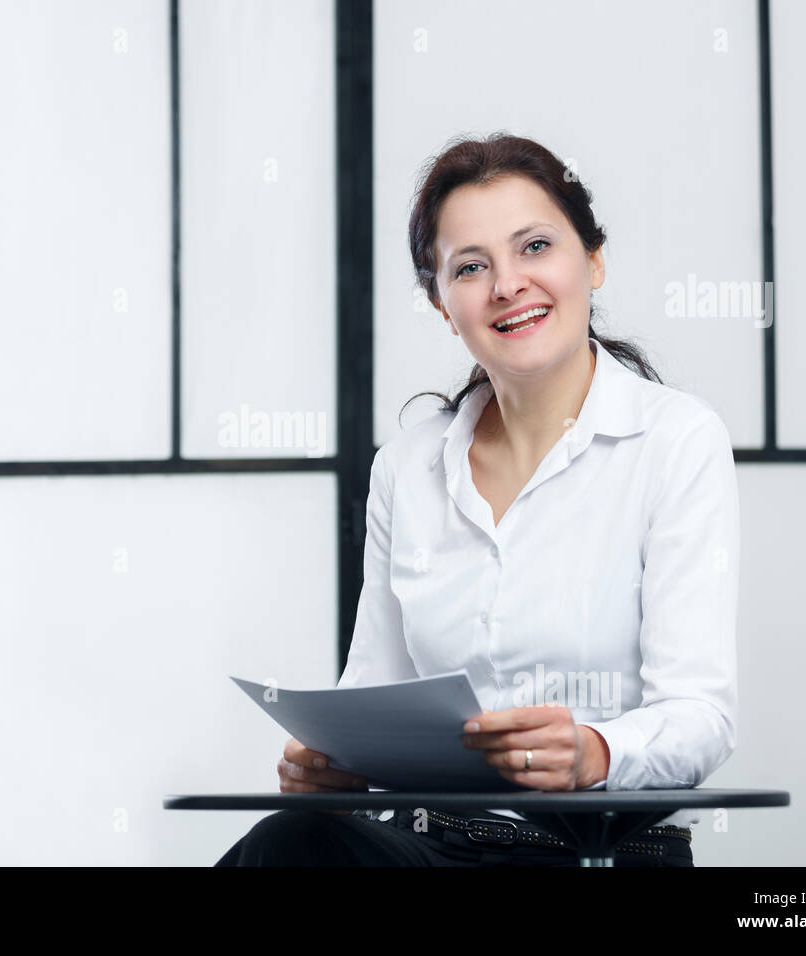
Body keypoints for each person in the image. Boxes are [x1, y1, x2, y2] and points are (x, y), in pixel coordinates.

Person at [217, 132, 739, 867]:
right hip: (424, 845)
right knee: (289, 842)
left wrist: (594, 752)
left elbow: (702, 717)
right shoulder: (406, 467)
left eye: (534, 247)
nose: (507, 285)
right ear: (441, 303)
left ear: (592, 260)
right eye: (470, 267)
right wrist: (331, 769)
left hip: (602, 850)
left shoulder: (677, 440)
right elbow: (372, 696)